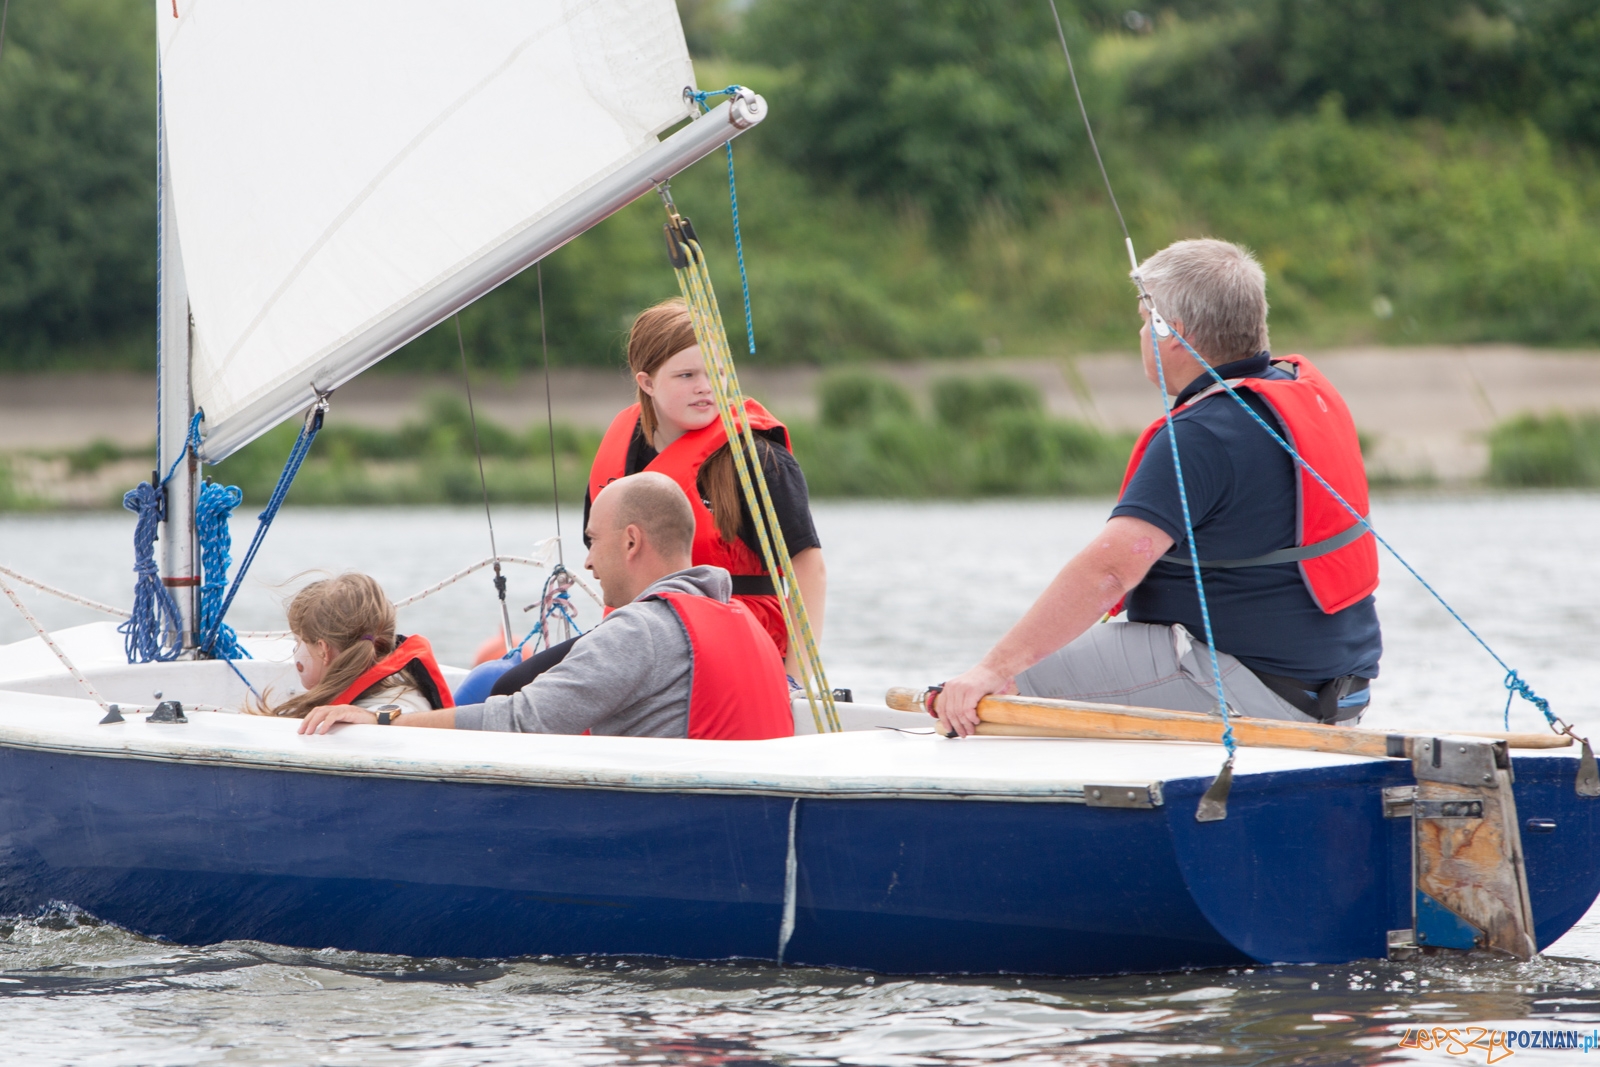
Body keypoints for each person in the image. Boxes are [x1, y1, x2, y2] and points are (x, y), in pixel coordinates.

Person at [934, 238, 1382, 737]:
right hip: (1335, 693)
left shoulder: (1202, 435)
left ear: (1175, 334)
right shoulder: (1296, 395)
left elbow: (1110, 572)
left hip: (1256, 690)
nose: (1142, 332)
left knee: (1004, 687)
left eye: (1147, 320)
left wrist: (992, 669)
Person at [299, 472, 794, 740]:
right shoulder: (746, 624)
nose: (587, 561)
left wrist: (382, 721)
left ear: (630, 541)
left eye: (592, 541)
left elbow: (520, 721)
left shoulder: (639, 631)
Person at [584, 297, 824, 672]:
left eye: (716, 372)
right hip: (640, 645)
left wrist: (795, 679)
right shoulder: (620, 454)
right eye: (687, 376)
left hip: (733, 655)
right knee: (506, 684)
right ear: (647, 382)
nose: (706, 387)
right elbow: (599, 557)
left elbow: (809, 570)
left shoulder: (760, 460)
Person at [249, 573, 453, 720]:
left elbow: (398, 721)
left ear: (323, 650)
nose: (295, 651)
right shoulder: (408, 694)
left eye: (298, 642)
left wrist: (374, 719)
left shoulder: (373, 716)